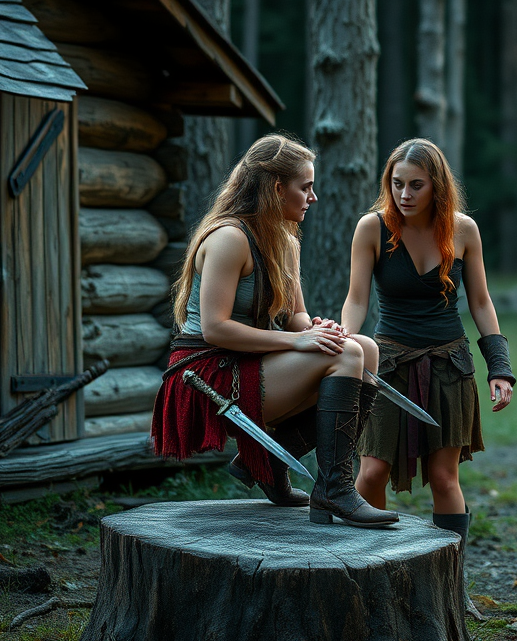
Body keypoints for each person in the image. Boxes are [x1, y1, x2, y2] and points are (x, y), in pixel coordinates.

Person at [150, 133, 398, 529]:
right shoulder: (229, 238)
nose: (312, 198)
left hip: (250, 360)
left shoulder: (285, 240)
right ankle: (334, 489)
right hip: (204, 374)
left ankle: (267, 464)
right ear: (277, 188)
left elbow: (296, 317)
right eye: (306, 187)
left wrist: (319, 329)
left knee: (363, 347)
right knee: (350, 357)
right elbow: (215, 329)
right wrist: (298, 341)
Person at [340, 138, 515, 554]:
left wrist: (500, 367)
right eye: (397, 183)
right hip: (387, 363)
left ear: (436, 184)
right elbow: (357, 300)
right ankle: (372, 569)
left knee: (444, 478)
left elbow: (481, 302)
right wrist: (346, 345)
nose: (404, 195)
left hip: (449, 364)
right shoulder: (373, 227)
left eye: (416, 185)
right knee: (370, 474)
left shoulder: (463, 229)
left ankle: (451, 583)